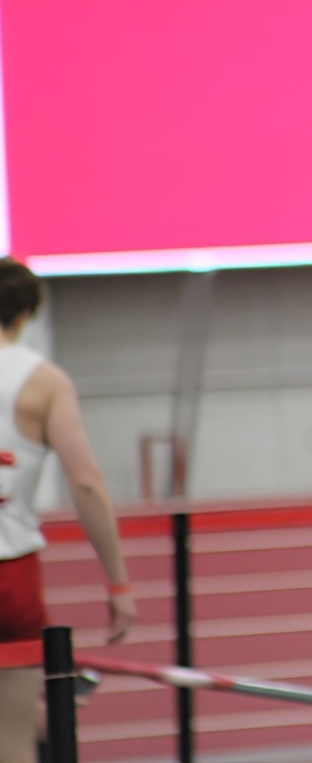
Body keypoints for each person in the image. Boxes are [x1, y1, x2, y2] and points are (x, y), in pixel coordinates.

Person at [0, 258, 136, 763]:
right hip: (9, 571)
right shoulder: (44, 382)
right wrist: (118, 584)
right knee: (12, 741)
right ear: (25, 315)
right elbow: (85, 482)